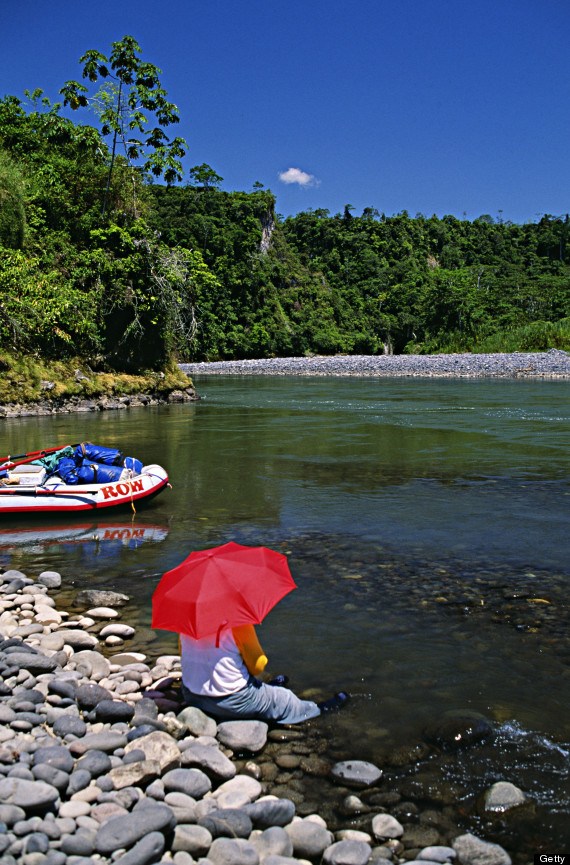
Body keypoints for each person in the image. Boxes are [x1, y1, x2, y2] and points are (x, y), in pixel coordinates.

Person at [179, 623, 348, 725]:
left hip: (192, 695)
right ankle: (317, 710)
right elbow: (258, 666)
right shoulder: (238, 623)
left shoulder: (186, 623)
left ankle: (268, 688)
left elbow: (183, 655)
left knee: (247, 677)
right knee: (284, 698)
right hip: (232, 700)